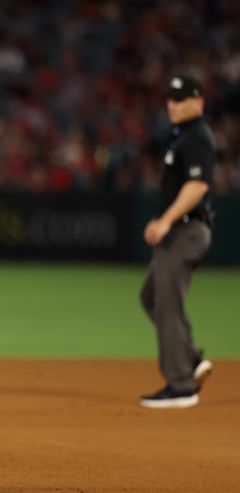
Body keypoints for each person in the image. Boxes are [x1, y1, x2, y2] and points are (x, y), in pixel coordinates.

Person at [139, 74, 216, 409]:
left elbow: (198, 186)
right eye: (170, 99)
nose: (172, 104)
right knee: (152, 296)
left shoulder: (197, 136)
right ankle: (190, 358)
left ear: (198, 102)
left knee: (167, 303)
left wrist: (165, 221)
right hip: (180, 230)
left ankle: (182, 385)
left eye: (180, 99)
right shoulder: (181, 136)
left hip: (186, 230)